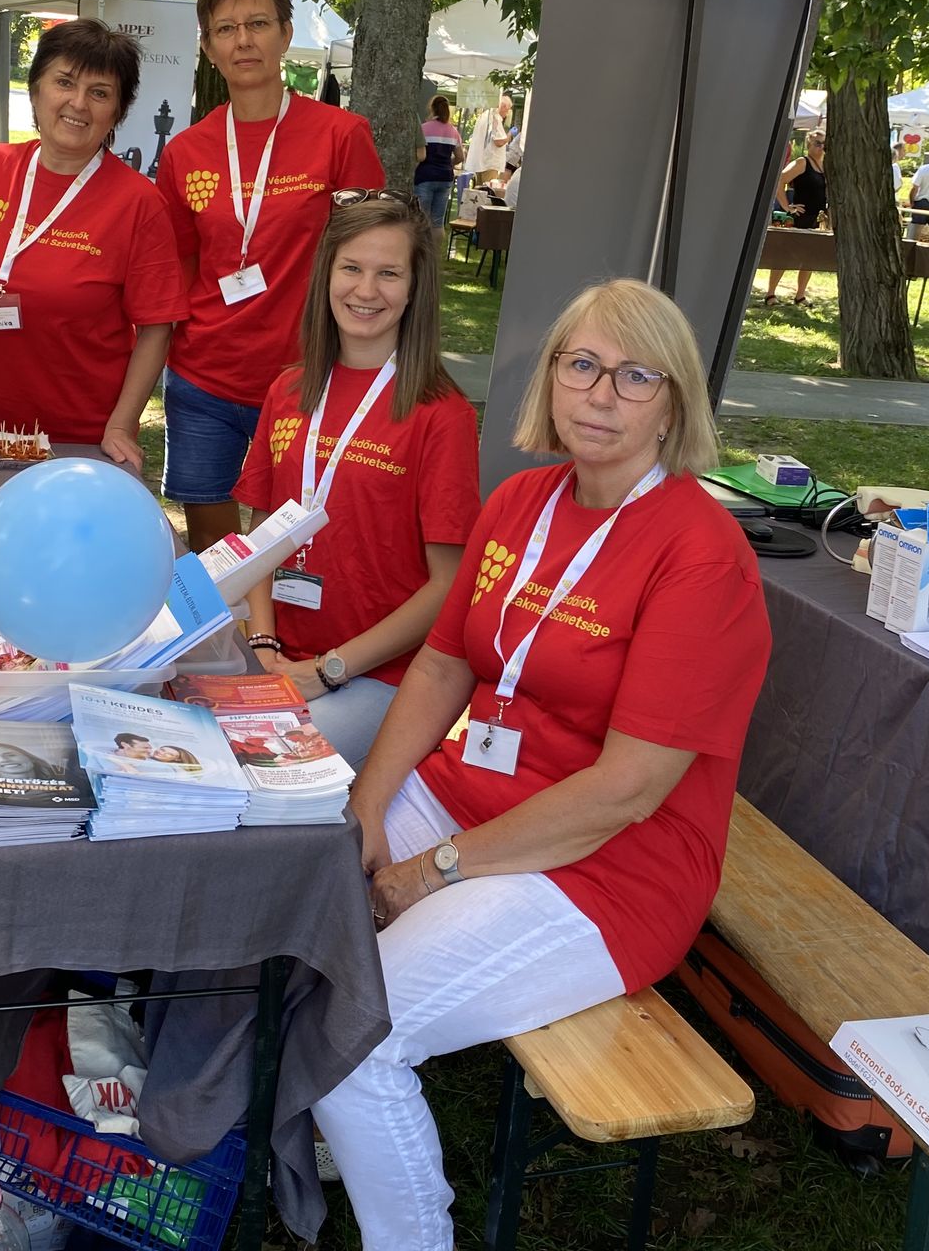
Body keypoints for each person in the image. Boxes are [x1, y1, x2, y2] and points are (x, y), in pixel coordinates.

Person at [310, 279, 770, 1245]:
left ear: (674, 403)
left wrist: (427, 872)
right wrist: (367, 803)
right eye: (583, 364)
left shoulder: (701, 554)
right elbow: (444, 663)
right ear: (552, 377)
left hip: (609, 867)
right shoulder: (523, 499)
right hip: (473, 796)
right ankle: (319, 1138)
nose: (600, 394)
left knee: (356, 1036)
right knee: (286, 902)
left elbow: (626, 791)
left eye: (635, 376)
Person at [232, 193, 481, 767]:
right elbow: (263, 536)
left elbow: (449, 586)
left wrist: (329, 669)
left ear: (415, 290)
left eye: (389, 273)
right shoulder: (289, 390)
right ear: (327, 274)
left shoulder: (442, 415)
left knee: (256, 766)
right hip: (275, 650)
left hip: (376, 675)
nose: (366, 290)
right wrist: (263, 641)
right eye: (351, 268)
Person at [156, 0, 383, 550]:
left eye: (257, 23)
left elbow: (376, 258)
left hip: (307, 378)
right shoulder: (185, 151)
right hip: (203, 379)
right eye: (226, 29)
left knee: (291, 552)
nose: (243, 40)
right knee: (214, 556)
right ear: (208, 48)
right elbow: (180, 267)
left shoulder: (341, 135)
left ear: (285, 34)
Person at [0, 19, 188, 468]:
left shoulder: (138, 203)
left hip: (83, 445)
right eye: (64, 82)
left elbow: (156, 328)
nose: (78, 103)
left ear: (118, 112)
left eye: (99, 92)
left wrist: (122, 424)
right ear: (35, 90)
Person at [765, 129, 827, 305]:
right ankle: (770, 294)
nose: (821, 147)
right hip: (799, 217)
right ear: (809, 145)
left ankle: (800, 295)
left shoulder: (825, 166)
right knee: (784, 256)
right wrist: (787, 206)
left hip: (816, 218)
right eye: (817, 143)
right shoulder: (802, 162)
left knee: (810, 258)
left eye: (824, 143)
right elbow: (780, 180)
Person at [413, 96, 461, 227]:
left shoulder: (423, 129)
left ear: (432, 109)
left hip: (425, 176)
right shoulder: (453, 131)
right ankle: (436, 241)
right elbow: (460, 157)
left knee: (421, 220)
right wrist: (448, 164)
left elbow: (419, 154)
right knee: (437, 223)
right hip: (445, 177)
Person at [465, 94, 513, 183]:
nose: (507, 114)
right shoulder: (494, 118)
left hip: (480, 162)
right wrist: (509, 135)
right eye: (507, 110)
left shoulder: (484, 116)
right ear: (503, 106)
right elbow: (498, 142)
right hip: (490, 164)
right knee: (488, 189)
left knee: (479, 189)